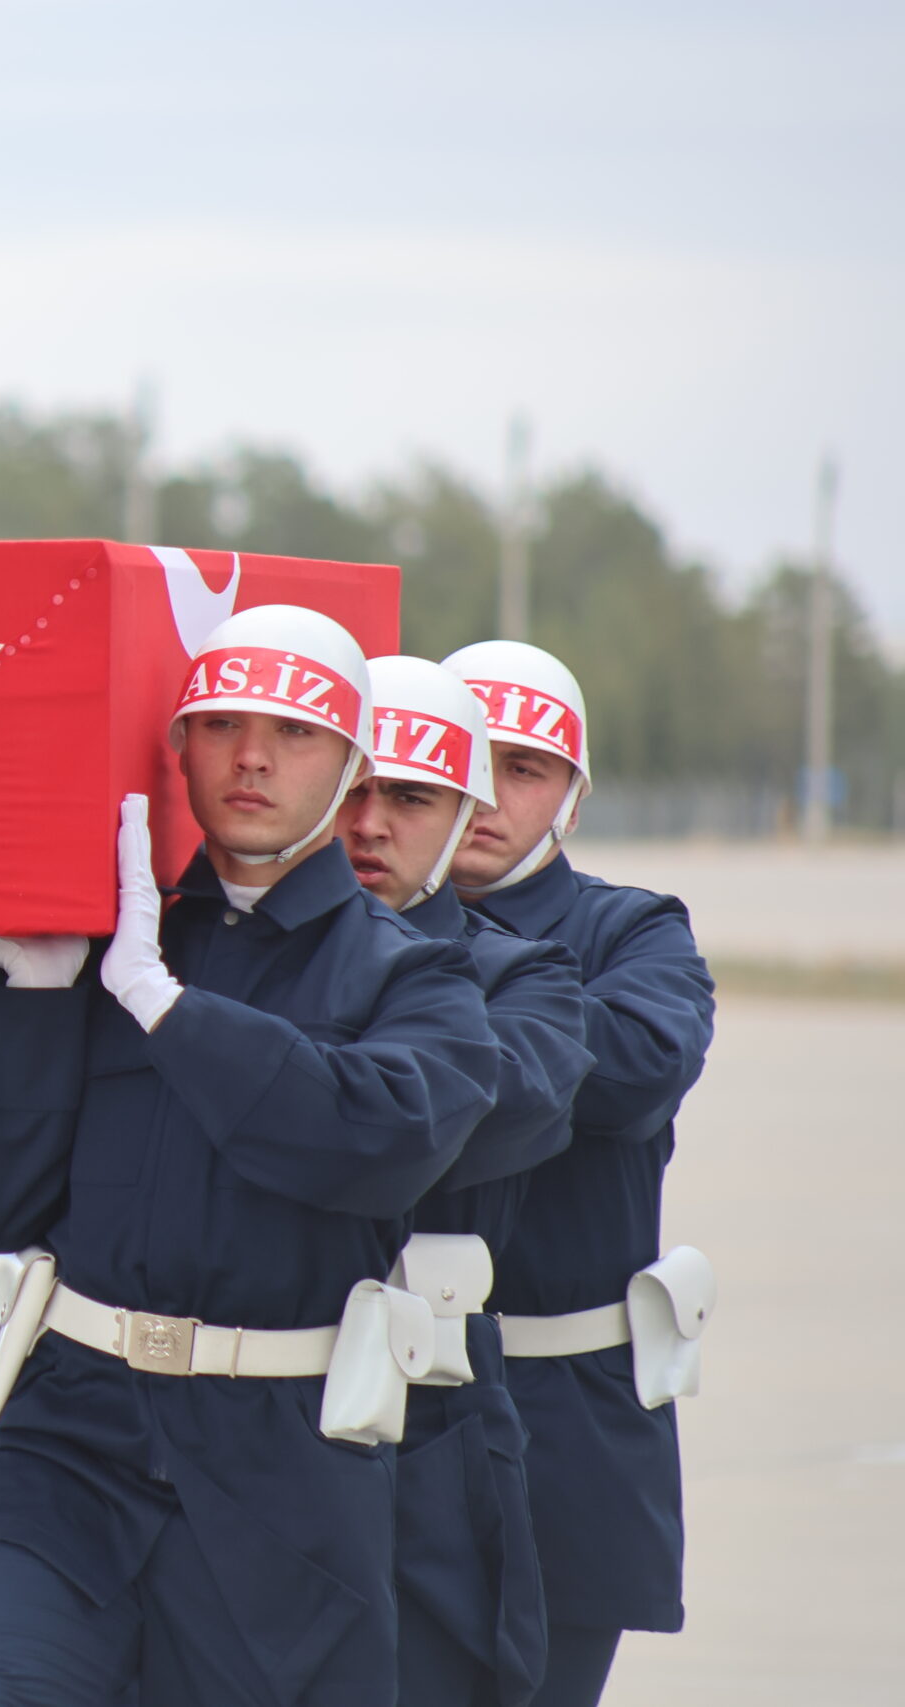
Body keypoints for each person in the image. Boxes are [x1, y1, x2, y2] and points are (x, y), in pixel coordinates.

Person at [0, 604, 501, 1707]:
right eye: (220, 723)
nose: (249, 757)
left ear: (349, 766)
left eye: (293, 734)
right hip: (56, 1445)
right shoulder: (101, 942)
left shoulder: (413, 976)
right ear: (173, 747)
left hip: (276, 1480)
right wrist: (33, 1000)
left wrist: (165, 1009)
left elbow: (374, 1137)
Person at [442, 641, 717, 1707]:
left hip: (564, 1423)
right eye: (463, 760)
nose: (486, 795)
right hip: (380, 1395)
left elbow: (634, 1069)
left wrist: (427, 953)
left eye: (525, 769)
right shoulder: (346, 929)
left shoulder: (633, 929)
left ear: (572, 794)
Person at [337, 655, 594, 1706]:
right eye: (355, 788)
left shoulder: (522, 974)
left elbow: (483, 1108)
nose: (369, 824)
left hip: (433, 1426)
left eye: (410, 796)